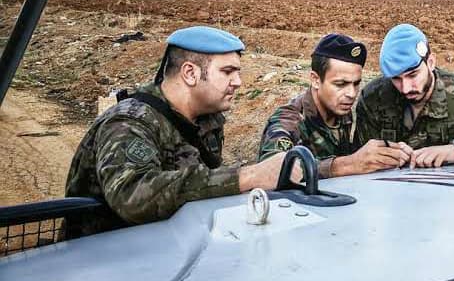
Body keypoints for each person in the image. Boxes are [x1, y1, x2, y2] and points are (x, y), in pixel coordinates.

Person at [64, 26, 295, 238]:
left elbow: (201, 182)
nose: (238, 82)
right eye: (227, 72)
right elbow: (132, 197)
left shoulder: (207, 119)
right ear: (190, 73)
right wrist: (247, 177)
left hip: (170, 243)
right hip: (105, 256)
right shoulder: (130, 121)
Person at [356, 24, 454, 168]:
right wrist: (381, 156)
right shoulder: (373, 97)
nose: (405, 88)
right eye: (396, 79)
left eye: (413, 75)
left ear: (431, 63)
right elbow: (361, 155)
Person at [258, 33, 412, 178]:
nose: (351, 94)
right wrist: (347, 164)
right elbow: (274, 172)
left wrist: (389, 153)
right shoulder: (289, 121)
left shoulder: (340, 110)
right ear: (315, 80)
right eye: (340, 84)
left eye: (356, 84)